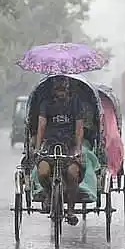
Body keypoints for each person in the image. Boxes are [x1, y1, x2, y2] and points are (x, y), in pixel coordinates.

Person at [34, 75, 84, 226]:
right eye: (58, 89)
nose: (60, 92)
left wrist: (78, 148)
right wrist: (37, 148)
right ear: (53, 90)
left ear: (68, 89)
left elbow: (79, 127)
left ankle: (70, 210)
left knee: (73, 173)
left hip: (69, 146)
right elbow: (41, 126)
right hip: (50, 145)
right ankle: (49, 194)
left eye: (63, 89)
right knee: (42, 172)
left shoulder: (75, 104)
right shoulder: (46, 104)